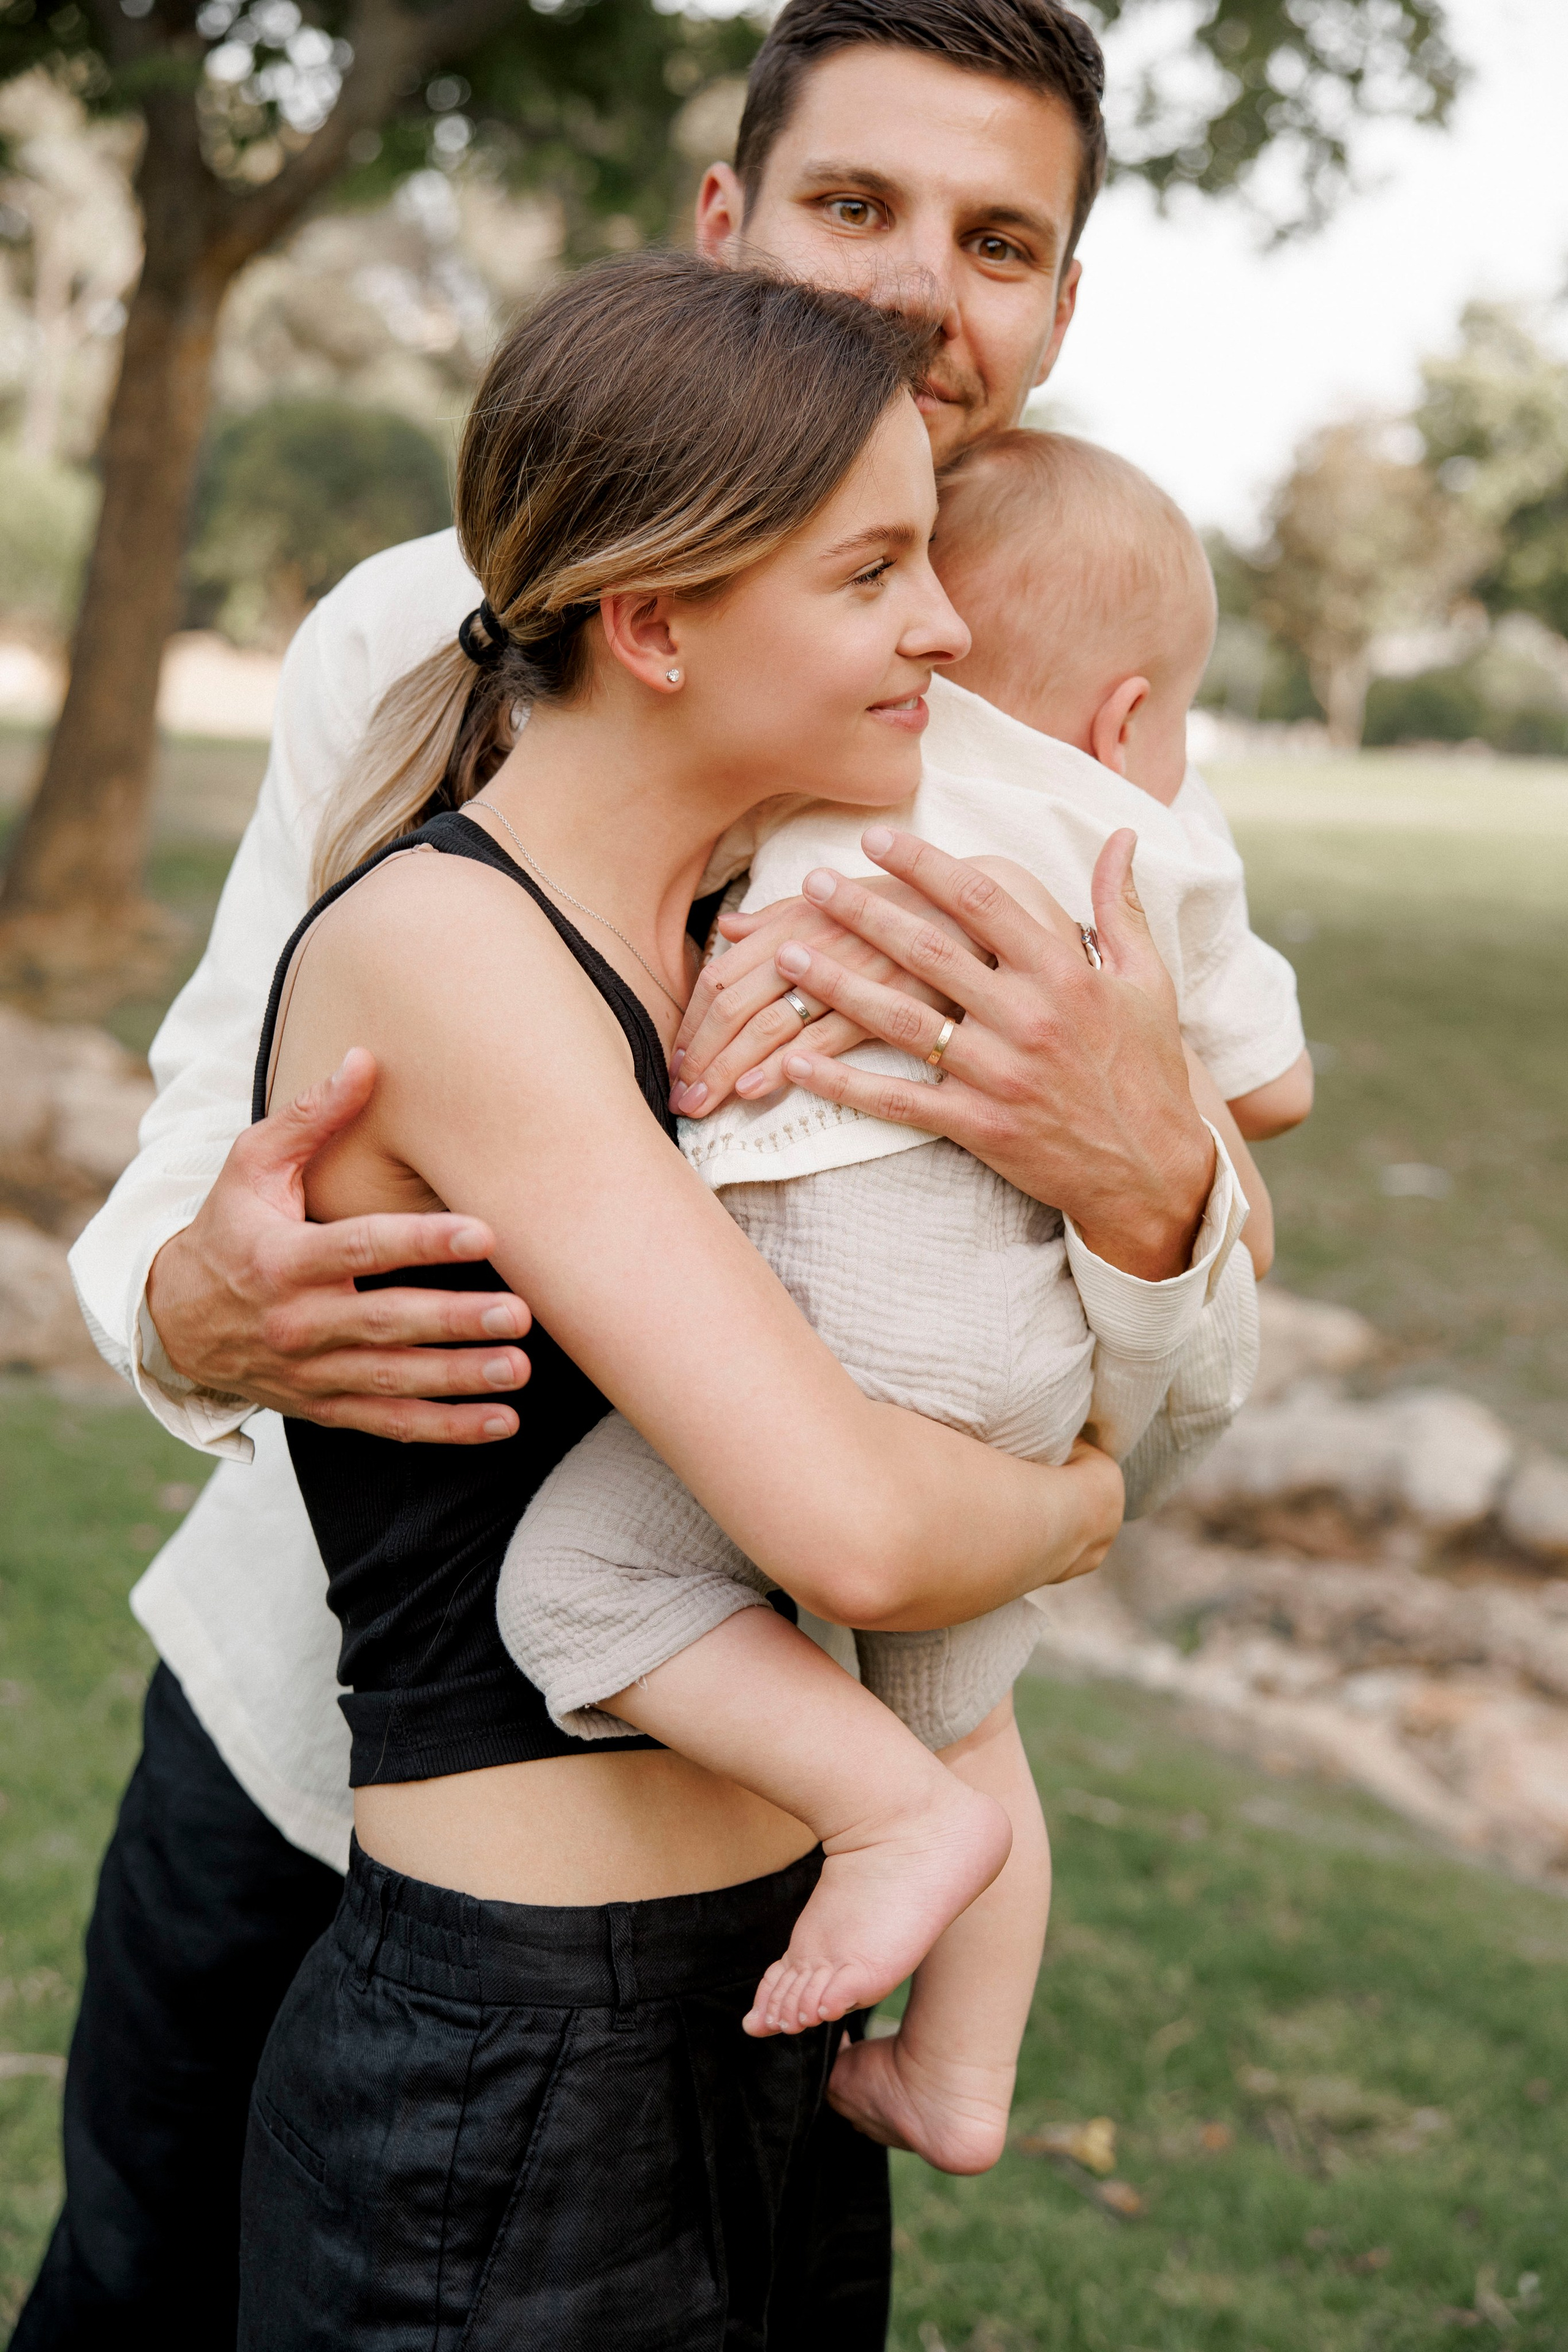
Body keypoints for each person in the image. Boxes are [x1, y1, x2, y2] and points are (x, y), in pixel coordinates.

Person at [15, 2, 1240, 2340]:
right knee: (154, 2288)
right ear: (728, 221)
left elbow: (1155, 1325)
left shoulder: (1081, 727)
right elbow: (230, 1101)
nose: (916, 288)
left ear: (1064, 303)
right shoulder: (449, 625)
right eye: (855, 206)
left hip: (774, 1828)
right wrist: (187, 1305)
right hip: (345, 1755)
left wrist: (1154, 1190)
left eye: (998, 240)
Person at [235, 249, 1133, 2345]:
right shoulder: (447, 953)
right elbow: (857, 1531)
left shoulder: (763, 917)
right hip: (519, 2058)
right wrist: (1085, 1507)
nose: (947, 624)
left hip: (767, 1993)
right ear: (651, 624)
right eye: (876, 572)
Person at [491, 427, 1304, 2179]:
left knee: (584, 1582)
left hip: (823, 1319)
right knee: (972, 1710)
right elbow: (1273, 1101)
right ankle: (961, 2073)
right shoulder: (1147, 840)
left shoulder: (834, 770)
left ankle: (885, 1818)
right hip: (1021, 1354)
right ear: (1126, 716)